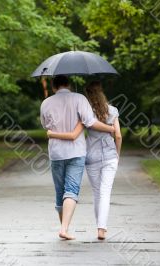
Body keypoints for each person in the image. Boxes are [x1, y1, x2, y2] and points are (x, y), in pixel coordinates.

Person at [40, 76, 115, 240]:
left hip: (56, 153)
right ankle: (64, 229)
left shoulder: (46, 103)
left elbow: (45, 126)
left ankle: (64, 228)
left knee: (60, 192)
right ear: (69, 85)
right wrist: (110, 129)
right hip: (76, 153)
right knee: (71, 190)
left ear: (54, 87)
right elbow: (90, 122)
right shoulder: (79, 98)